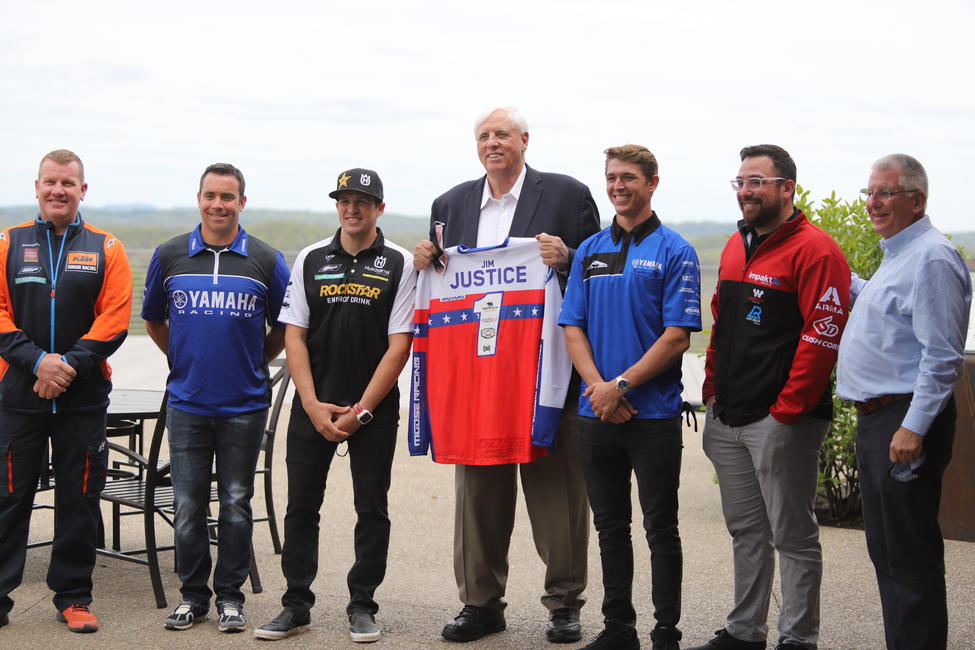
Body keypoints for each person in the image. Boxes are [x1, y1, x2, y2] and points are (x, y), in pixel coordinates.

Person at [413, 106, 599, 644]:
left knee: (559, 495)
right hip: (477, 377)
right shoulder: (449, 204)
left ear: (524, 140)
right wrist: (430, 258)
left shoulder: (566, 194)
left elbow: (597, 269)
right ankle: (480, 603)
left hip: (546, 375)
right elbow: (448, 278)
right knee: (477, 498)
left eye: (502, 135)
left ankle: (564, 603)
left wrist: (565, 258)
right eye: (483, 136)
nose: (492, 143)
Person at [690, 145, 850, 650]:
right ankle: (744, 633)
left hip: (783, 423)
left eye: (756, 182)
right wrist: (711, 392)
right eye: (740, 182)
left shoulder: (816, 250)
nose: (745, 191)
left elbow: (822, 337)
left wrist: (786, 412)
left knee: (794, 538)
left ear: (787, 188)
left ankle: (798, 639)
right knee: (747, 533)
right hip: (729, 416)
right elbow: (721, 327)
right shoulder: (739, 245)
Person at [255, 168, 416, 643]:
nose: (352, 208)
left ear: (379, 208)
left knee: (372, 509)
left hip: (375, 411)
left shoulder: (400, 263)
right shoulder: (310, 258)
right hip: (314, 407)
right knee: (301, 508)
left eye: (363, 201)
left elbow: (399, 345)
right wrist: (310, 403)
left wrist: (362, 410)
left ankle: (363, 605)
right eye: (344, 200)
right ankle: (296, 605)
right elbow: (294, 337)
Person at [560, 145, 701, 650]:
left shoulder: (675, 250)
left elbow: (677, 335)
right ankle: (619, 629)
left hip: (654, 414)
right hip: (595, 412)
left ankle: (666, 633)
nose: (618, 186)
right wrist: (600, 389)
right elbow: (571, 326)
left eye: (629, 178)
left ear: (652, 183)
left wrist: (620, 387)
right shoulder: (591, 249)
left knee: (661, 529)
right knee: (610, 527)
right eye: (612, 178)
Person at [142, 163, 290, 633]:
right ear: (199, 198)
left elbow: (285, 326)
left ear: (242, 202)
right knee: (187, 506)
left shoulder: (266, 260)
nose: (218, 205)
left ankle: (230, 597)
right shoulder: (169, 256)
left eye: (228, 197)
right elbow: (153, 321)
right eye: (210, 195)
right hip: (187, 403)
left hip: (244, 406)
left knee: (236, 502)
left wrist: (252, 363)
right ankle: (192, 597)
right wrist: (184, 360)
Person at [836, 154, 971, 650]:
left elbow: (941, 357)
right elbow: (889, 309)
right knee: (888, 552)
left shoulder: (932, 258)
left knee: (909, 557)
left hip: (904, 420)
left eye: (886, 193)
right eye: (869, 192)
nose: (873, 203)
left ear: (918, 200)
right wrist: (838, 271)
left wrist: (913, 428)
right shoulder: (901, 255)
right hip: (881, 420)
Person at [0, 149, 132, 633]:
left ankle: (74, 597)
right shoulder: (7, 243)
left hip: (82, 398)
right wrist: (37, 361)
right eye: (51, 182)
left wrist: (65, 367)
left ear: (83, 190)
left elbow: (115, 317)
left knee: (78, 497)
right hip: (18, 395)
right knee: (9, 497)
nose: (59, 190)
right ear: (36, 187)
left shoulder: (107, 248)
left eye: (68, 183)